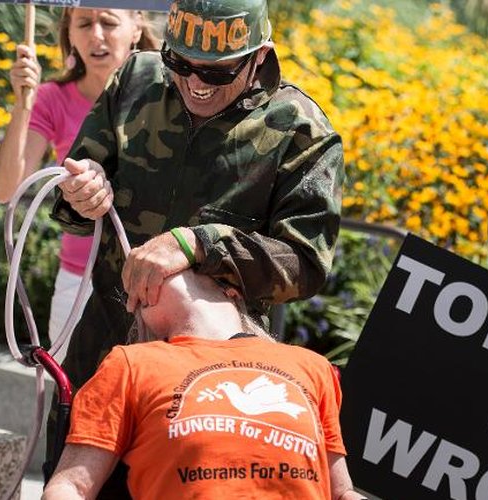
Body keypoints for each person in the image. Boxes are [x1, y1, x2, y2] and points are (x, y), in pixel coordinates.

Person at [46, 0, 344, 495]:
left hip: (201, 397)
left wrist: (201, 244)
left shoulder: (300, 130)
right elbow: (75, 188)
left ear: (260, 56)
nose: (194, 83)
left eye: (216, 71)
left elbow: (305, 263)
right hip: (102, 358)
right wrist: (81, 189)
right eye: (180, 63)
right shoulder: (136, 80)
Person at [42, 270, 365, 499]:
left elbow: (341, 493)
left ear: (231, 292)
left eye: (167, 262)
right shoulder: (131, 364)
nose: (146, 269)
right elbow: (71, 486)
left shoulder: (312, 367)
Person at [0, 8, 159, 362]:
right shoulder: (53, 97)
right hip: (79, 285)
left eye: (108, 22)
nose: (96, 35)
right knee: (73, 393)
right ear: (69, 32)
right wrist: (23, 103)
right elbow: (6, 189)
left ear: (136, 26)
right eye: (84, 23)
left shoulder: (169, 95)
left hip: (155, 286)